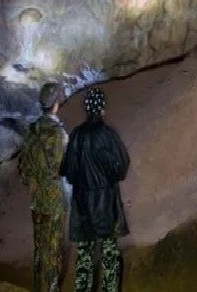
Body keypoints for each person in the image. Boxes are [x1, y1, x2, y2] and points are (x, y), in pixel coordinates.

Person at [60, 87, 130, 292]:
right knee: (109, 251)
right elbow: (121, 168)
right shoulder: (107, 135)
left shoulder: (76, 135)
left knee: (84, 254)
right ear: (102, 109)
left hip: (81, 203)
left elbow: (68, 172)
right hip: (105, 202)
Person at [17, 82, 69, 292]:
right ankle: (51, 288)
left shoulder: (31, 131)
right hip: (54, 198)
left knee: (39, 245)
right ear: (56, 104)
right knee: (54, 247)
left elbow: (23, 167)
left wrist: (33, 181)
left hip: (37, 197)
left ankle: (39, 286)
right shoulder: (58, 134)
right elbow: (64, 166)